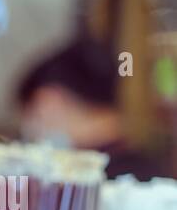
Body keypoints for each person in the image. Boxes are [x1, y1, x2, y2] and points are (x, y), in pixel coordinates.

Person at [17, 38, 170, 181]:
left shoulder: (88, 183)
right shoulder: (150, 174)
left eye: (31, 113)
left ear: (49, 100)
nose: (29, 128)